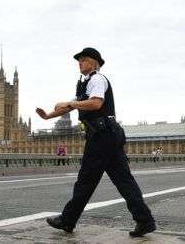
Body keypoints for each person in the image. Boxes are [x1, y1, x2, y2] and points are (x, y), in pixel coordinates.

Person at [36, 47, 155, 237]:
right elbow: (70, 105)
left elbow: (96, 103)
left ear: (94, 62)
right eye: (79, 60)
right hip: (108, 135)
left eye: (83, 60)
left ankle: (67, 220)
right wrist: (48, 116)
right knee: (124, 181)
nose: (80, 63)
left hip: (102, 136)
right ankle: (145, 220)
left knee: (86, 181)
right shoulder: (85, 84)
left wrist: (71, 104)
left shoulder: (97, 79)